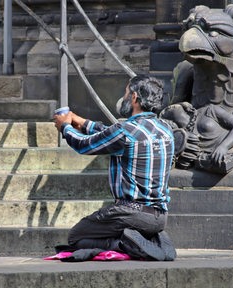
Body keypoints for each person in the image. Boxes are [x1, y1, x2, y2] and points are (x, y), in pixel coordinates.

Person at [53, 75, 177, 261]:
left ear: (134, 97)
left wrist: (65, 127)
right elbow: (109, 133)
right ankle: (152, 238)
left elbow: (83, 145)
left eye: (126, 93)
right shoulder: (166, 129)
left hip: (130, 212)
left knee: (76, 237)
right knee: (100, 232)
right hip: (159, 217)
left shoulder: (125, 130)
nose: (124, 97)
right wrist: (82, 122)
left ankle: (125, 244)